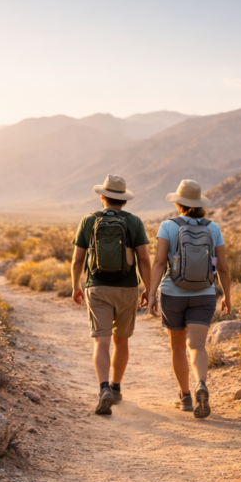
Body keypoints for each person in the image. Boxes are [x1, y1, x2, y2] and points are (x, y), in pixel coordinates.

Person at [150, 179, 231, 419]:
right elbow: (223, 267)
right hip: (204, 294)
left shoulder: (167, 226)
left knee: (177, 347)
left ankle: (185, 397)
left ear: (179, 203)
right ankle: (201, 385)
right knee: (197, 346)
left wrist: (151, 292)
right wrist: (226, 295)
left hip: (172, 293)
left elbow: (159, 262)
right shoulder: (213, 228)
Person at [71, 174, 152, 415]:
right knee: (121, 340)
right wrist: (149, 288)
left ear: (102, 197)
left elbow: (77, 259)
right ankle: (116, 388)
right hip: (127, 289)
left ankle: (103, 387)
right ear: (123, 200)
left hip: (97, 287)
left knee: (101, 341)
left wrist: (76, 285)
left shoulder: (88, 220)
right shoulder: (135, 222)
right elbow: (144, 259)